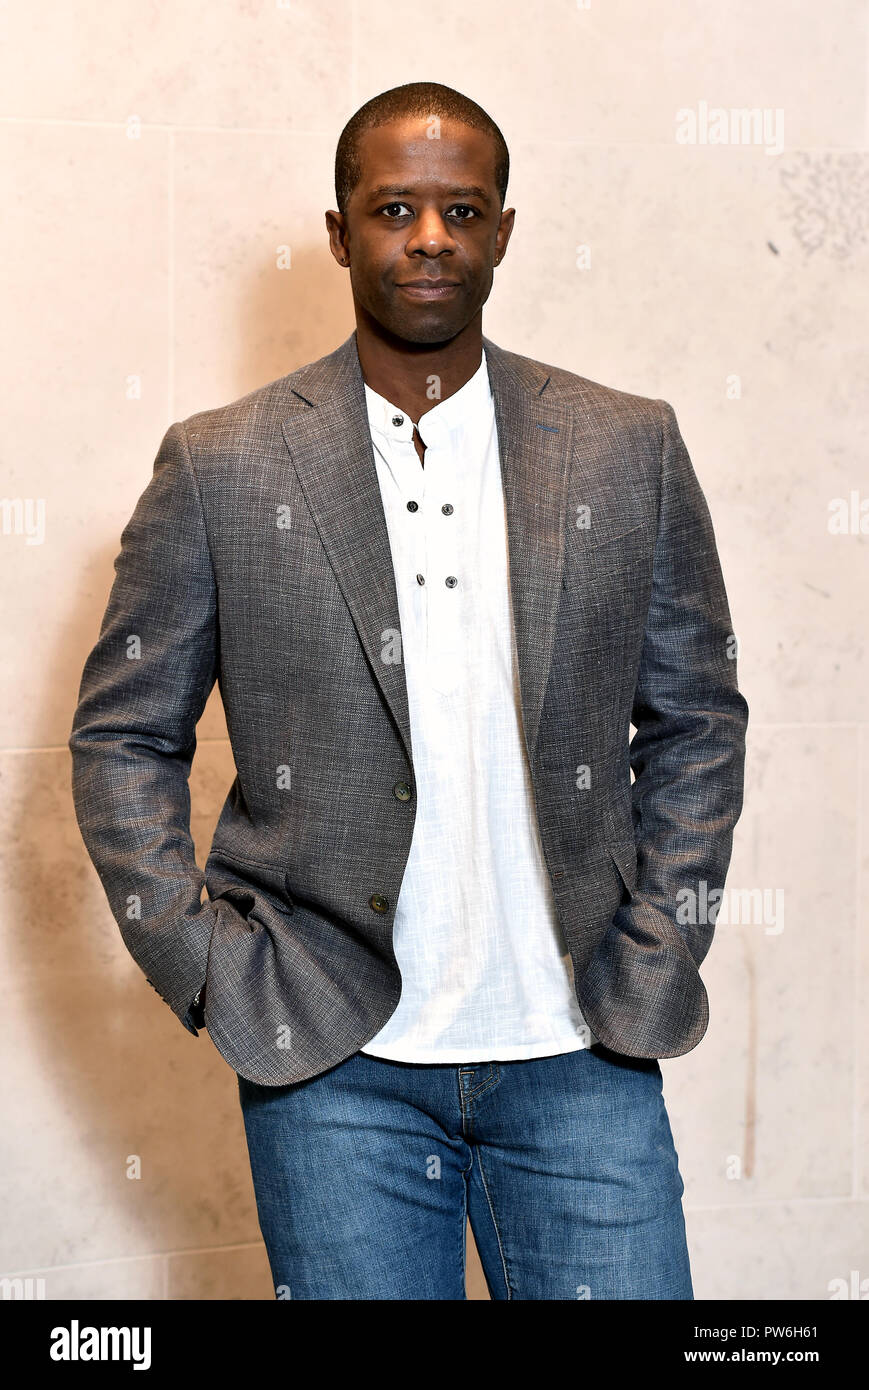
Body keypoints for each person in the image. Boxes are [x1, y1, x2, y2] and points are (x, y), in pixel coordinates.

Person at [69, 81, 748, 1300]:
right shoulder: (220, 462)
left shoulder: (624, 443)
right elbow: (123, 733)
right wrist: (204, 966)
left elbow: (698, 719)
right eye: (393, 208)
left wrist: (662, 943)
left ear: (499, 230)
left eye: (460, 208)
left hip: (581, 1046)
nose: (428, 236)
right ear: (340, 234)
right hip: (331, 1063)